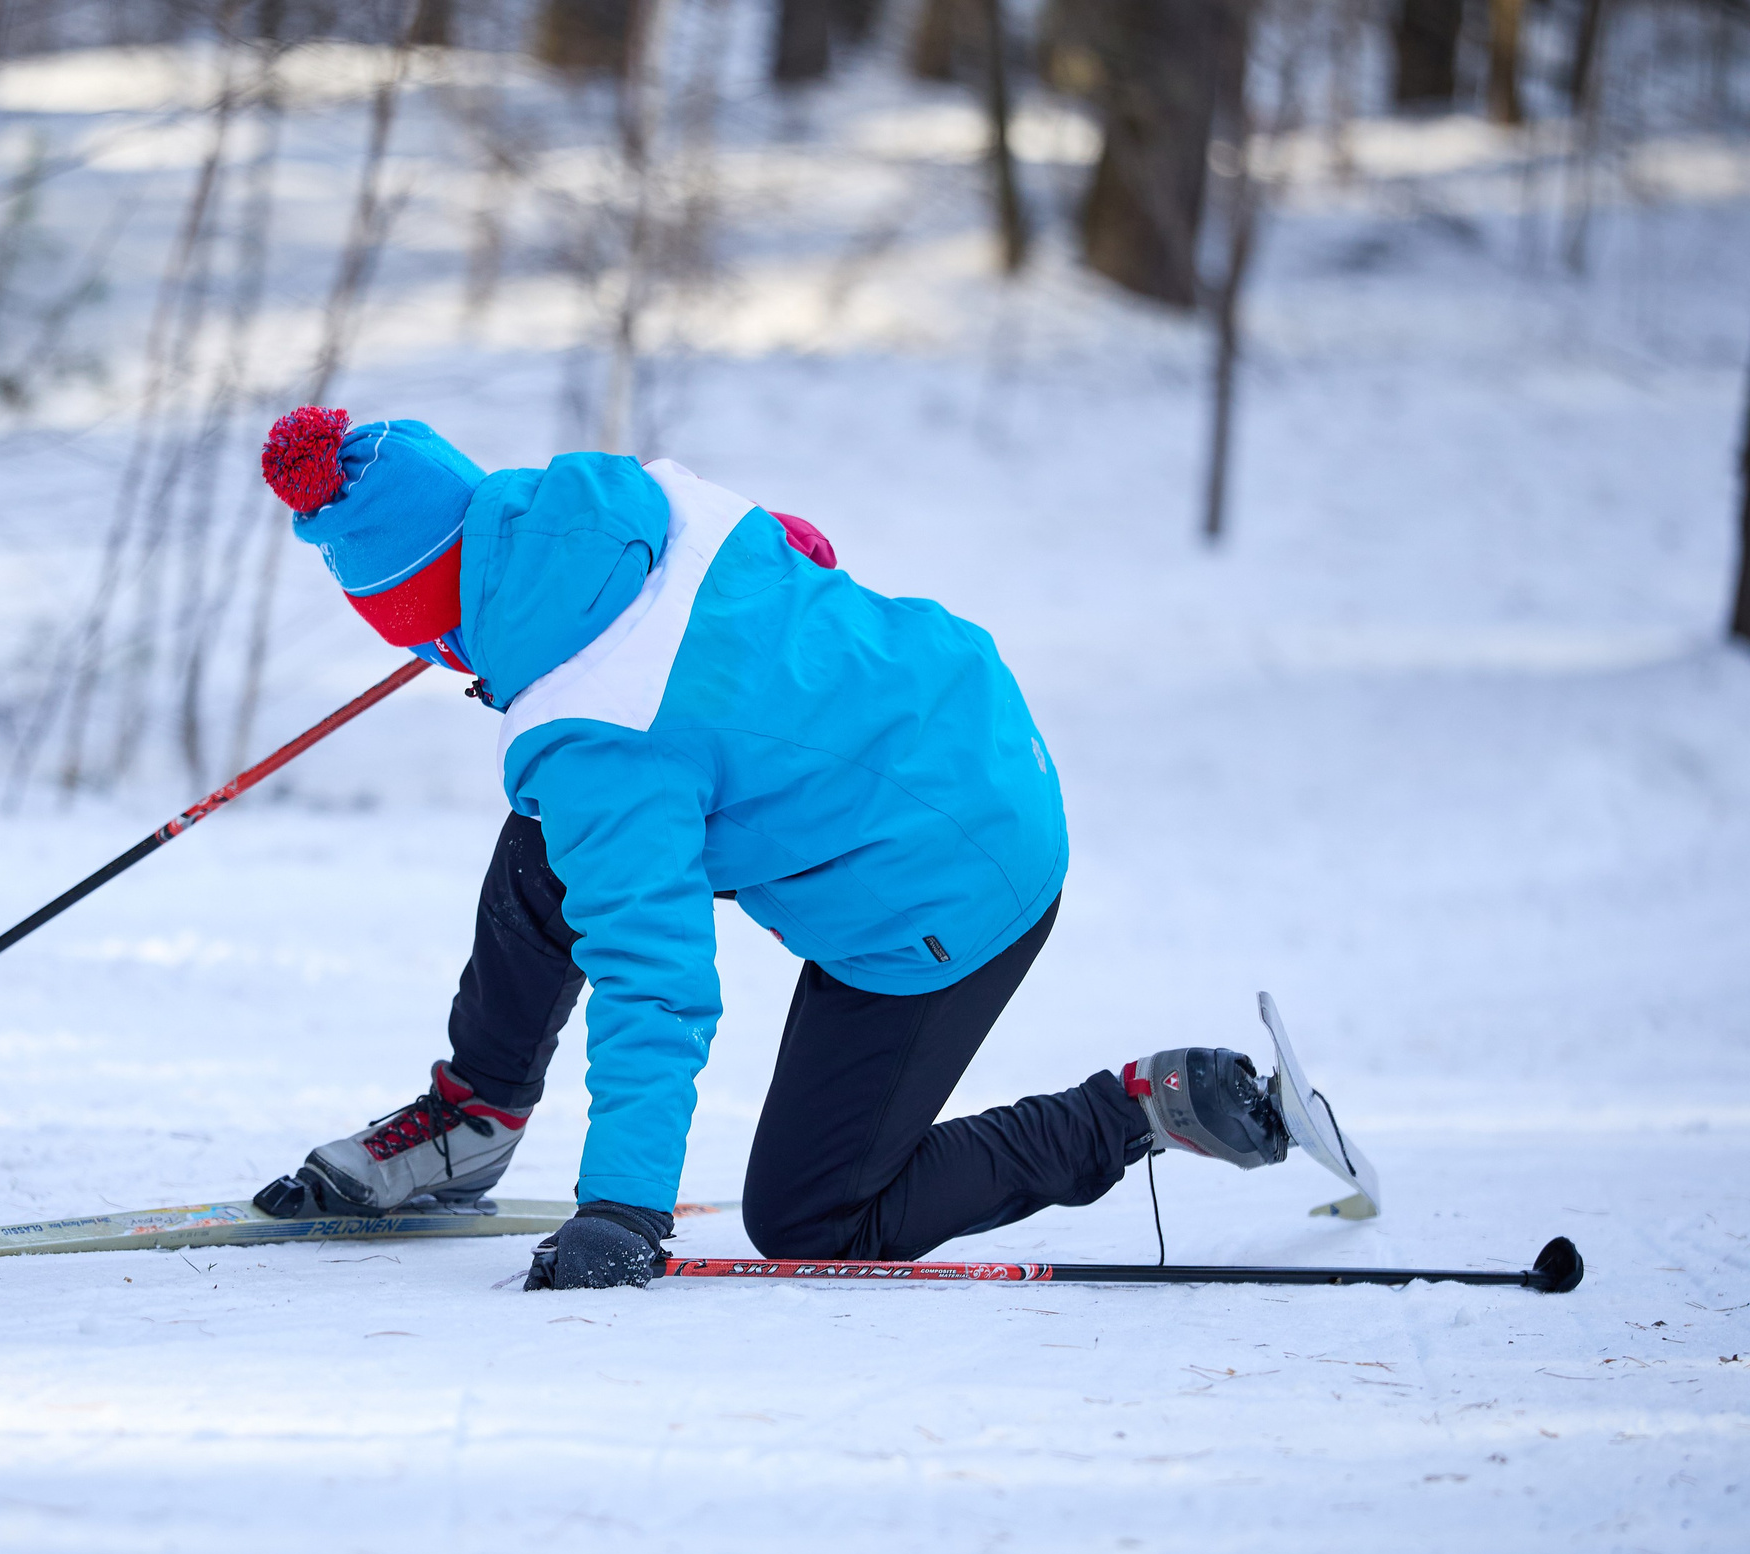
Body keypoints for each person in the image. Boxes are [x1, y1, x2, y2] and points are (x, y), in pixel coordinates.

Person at [247, 408, 1292, 1290]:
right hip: (972, 735)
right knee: (548, 848)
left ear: (422, 621)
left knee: (817, 1219)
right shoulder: (653, 507)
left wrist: (624, 1206)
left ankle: (1133, 1111)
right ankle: (470, 1121)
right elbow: (795, 551)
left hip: (947, 891)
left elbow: (652, 973)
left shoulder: (594, 733)